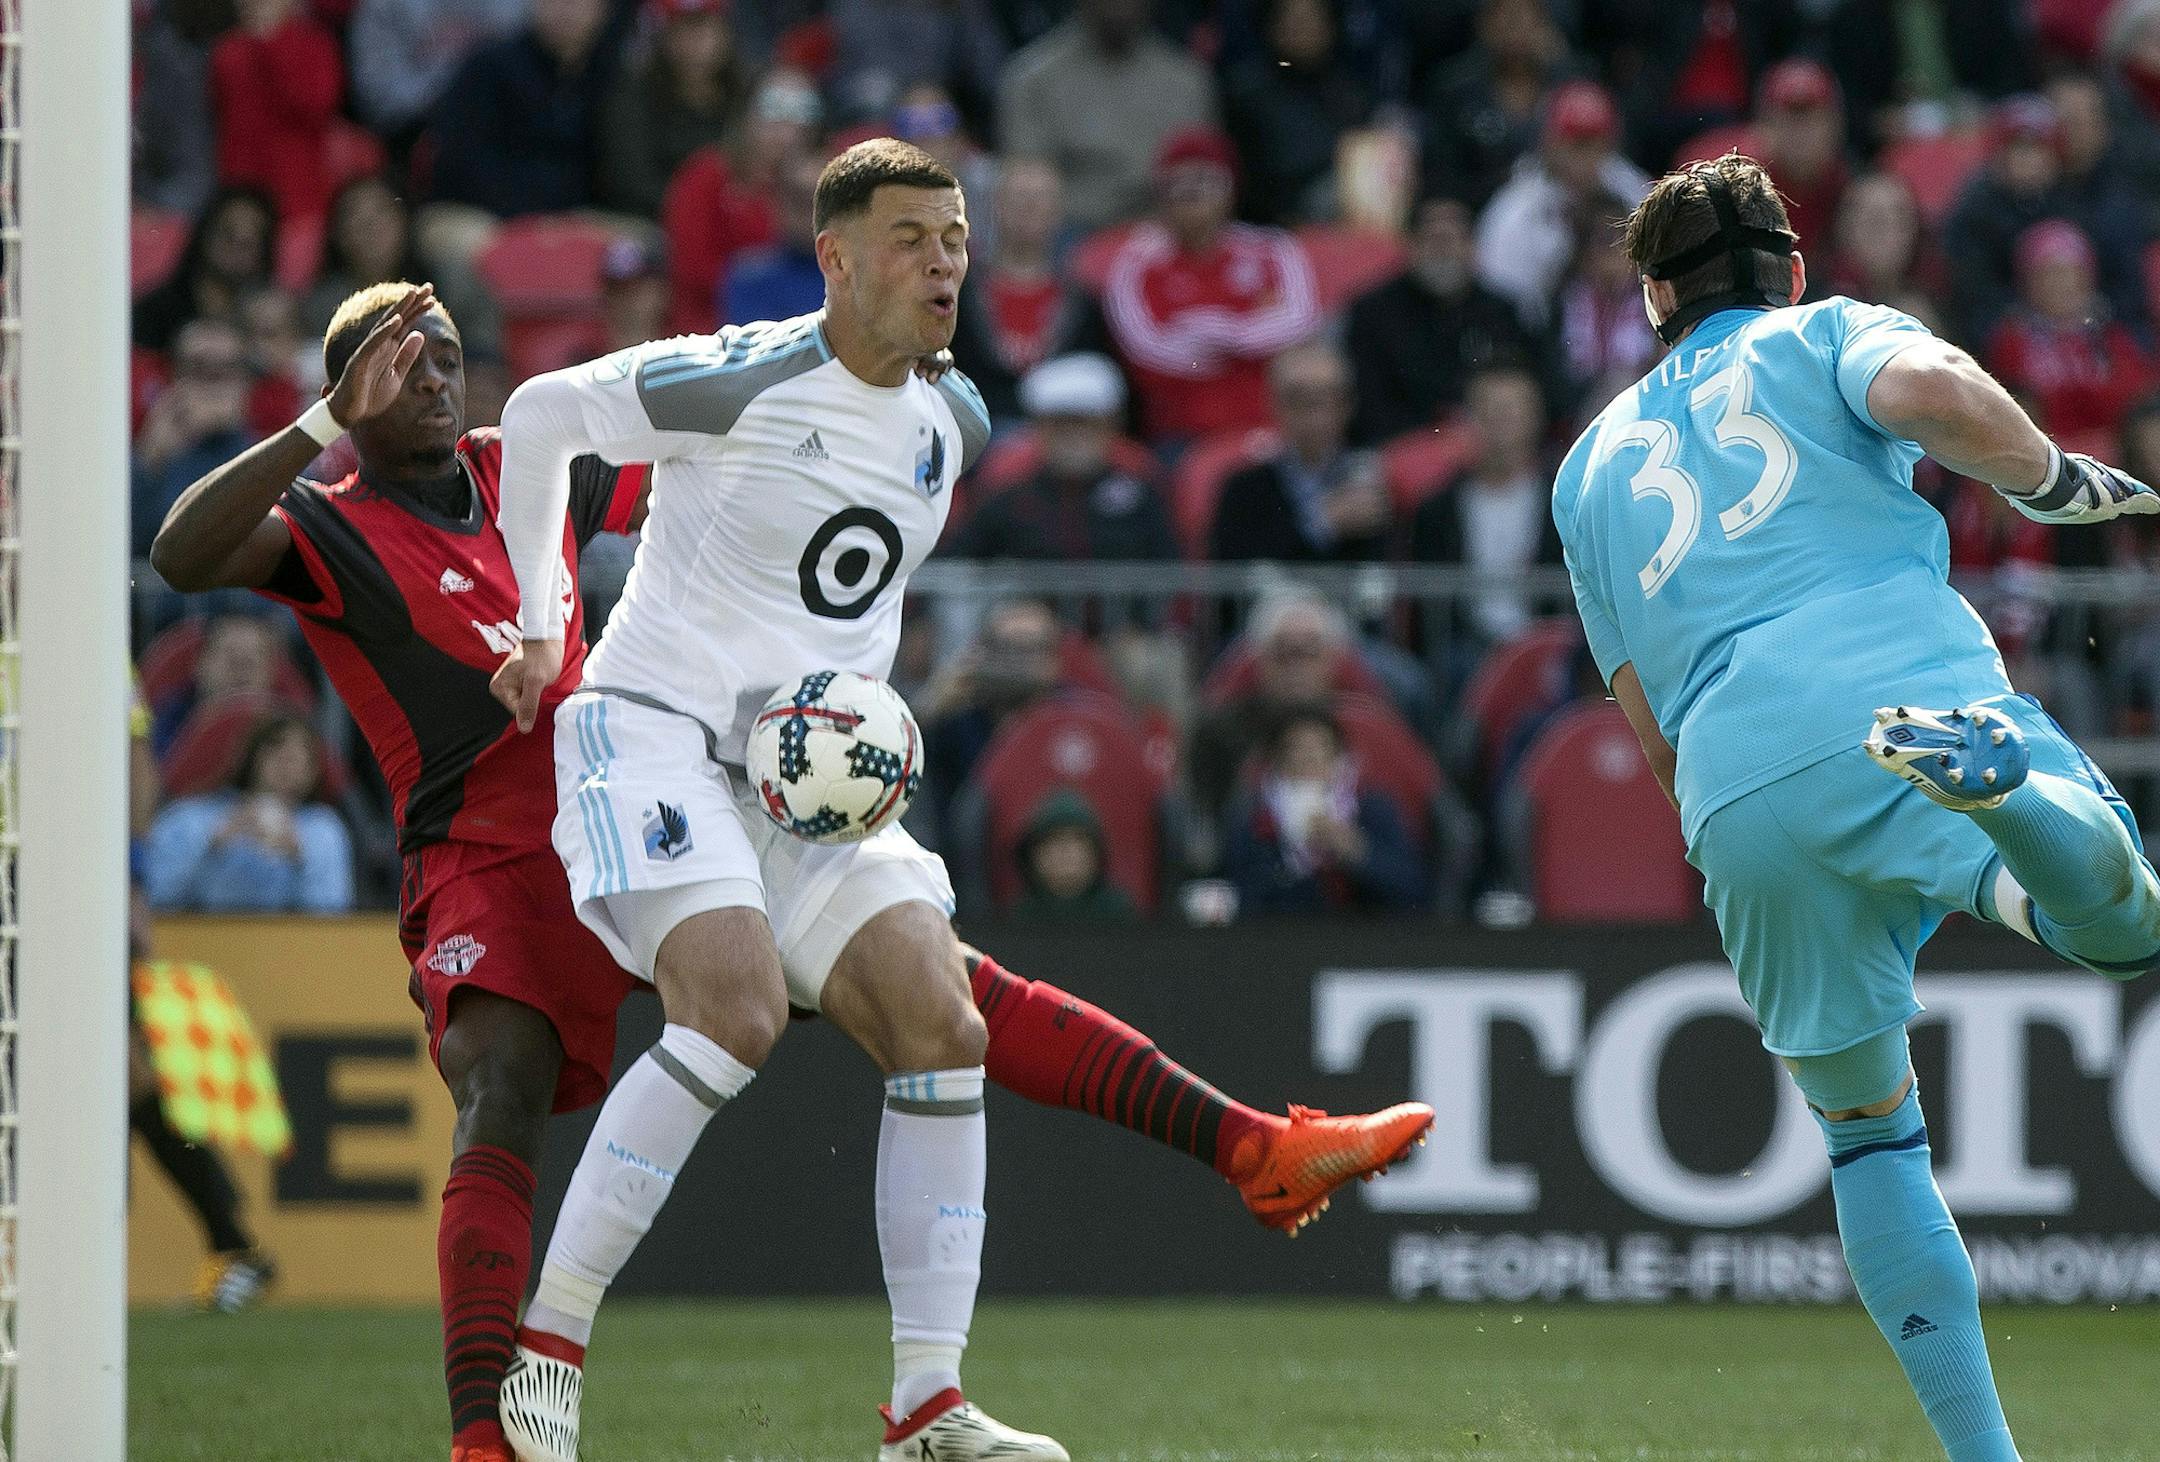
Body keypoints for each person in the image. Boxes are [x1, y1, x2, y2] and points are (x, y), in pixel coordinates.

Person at [488, 137, 1425, 1462]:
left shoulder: (956, 423)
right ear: (836, 255)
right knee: (738, 1007)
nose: (943, 263)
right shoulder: (747, 375)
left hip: (799, 788)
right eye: (912, 238)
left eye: (957, 238)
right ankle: (550, 1351)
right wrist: (542, 622)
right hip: (650, 736)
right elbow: (539, 415)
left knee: (942, 1019)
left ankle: (928, 1405)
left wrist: (851, 731)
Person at [1552, 152, 2160, 1462]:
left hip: (1731, 775)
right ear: (1794, 266)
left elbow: (1645, 723)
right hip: (1887, 672)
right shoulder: (1826, 332)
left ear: (1654, 296)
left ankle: (1984, 1457)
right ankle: (2006, 813)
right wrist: (2049, 479)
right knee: (2130, 930)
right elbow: (1935, 390)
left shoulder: (1588, 463)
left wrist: (1733, 816)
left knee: (1871, 1135)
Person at [1103, 127, 1320, 442]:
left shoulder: (1273, 249)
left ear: (1230, 188)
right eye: (1179, 184)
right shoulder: (1136, 264)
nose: (1192, 194)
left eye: (1204, 181)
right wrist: (1249, 340)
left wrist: (1215, 331)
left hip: (1276, 429)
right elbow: (1144, 352)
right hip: (1181, 432)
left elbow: (1301, 323)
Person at [996, 0, 1217, 232]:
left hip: (1166, 236)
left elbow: (1206, 183)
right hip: (1067, 237)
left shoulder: (1189, 83)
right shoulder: (1032, 80)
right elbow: (1026, 186)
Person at [1345, 193, 1544, 444]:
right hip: (1398, 448)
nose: (1443, 251)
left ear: (1472, 247)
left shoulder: (1503, 312)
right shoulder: (1373, 312)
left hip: (1486, 447)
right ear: (1412, 246)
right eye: (1433, 240)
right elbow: (1368, 403)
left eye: (1451, 239)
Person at [953, 353, 1177, 564]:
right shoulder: (1009, 496)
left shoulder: (1141, 493)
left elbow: (1174, 570)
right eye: (1061, 424)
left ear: (1111, 426)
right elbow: (956, 564)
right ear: (1039, 429)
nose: (1074, 436)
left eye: (1085, 423)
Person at [946, 160, 1113, 427]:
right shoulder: (957, 293)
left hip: (1061, 444)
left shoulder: (1085, 303)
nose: (1030, 207)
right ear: (996, 207)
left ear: (1059, 212)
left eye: (1041, 198)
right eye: (1020, 197)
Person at [1474, 80, 1649, 332]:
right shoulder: (1515, 210)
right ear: (1549, 143)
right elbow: (1501, 292)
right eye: (1575, 143)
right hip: (1539, 335)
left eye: (1594, 142)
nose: (1584, 156)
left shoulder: (1634, 192)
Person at [143, 713, 355, 914]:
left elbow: (334, 922)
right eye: (275, 747)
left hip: (289, 949)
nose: (287, 761)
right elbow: (153, 899)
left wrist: (301, 858)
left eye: (302, 754)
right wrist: (210, 845)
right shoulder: (190, 818)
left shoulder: (324, 831)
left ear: (314, 772)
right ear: (251, 756)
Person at [1221, 705, 1424, 914]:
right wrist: (1293, 866)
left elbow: (1412, 890)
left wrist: (1357, 852)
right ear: (1277, 759)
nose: (1309, 758)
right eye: (1296, 748)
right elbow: (1242, 898)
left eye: (1320, 747)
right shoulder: (1254, 819)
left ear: (1338, 756)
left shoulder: (1372, 808)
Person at [1210, 340, 1390, 563]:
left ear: (1347, 406)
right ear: (1274, 404)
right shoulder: (1244, 487)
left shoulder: (1367, 479)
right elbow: (1232, 575)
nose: (1315, 416)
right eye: (1298, 400)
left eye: (1328, 399)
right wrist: (1320, 524)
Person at [1222, 0, 1375, 226]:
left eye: (1312, 19)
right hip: (1271, 228)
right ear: (1272, 26)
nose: (1301, 29)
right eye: (1291, 20)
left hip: (1347, 228)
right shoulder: (1245, 94)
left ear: (1331, 27)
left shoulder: (1352, 93)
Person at [596, 0, 749, 219]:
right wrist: (695, 210)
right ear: (662, 36)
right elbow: (631, 182)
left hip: (733, 217)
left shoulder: (745, 92)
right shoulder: (632, 94)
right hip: (651, 221)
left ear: (725, 32)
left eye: (703, 27)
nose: (694, 43)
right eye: (680, 29)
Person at [132, 319, 260, 556]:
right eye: (199, 368)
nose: (213, 383)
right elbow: (126, 540)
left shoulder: (277, 453)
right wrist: (150, 459)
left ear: (246, 380)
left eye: (226, 370)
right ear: (174, 375)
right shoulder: (151, 457)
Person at [132, 186, 277, 354]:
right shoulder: (155, 314)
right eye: (229, 234)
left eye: (251, 240)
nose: (239, 246)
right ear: (206, 234)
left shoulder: (270, 323)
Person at [1010, 789, 1138, 920]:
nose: (1066, 851)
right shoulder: (1022, 915)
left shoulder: (1119, 913)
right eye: (1055, 839)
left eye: (1078, 840)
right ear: (1033, 856)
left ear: (1096, 854)